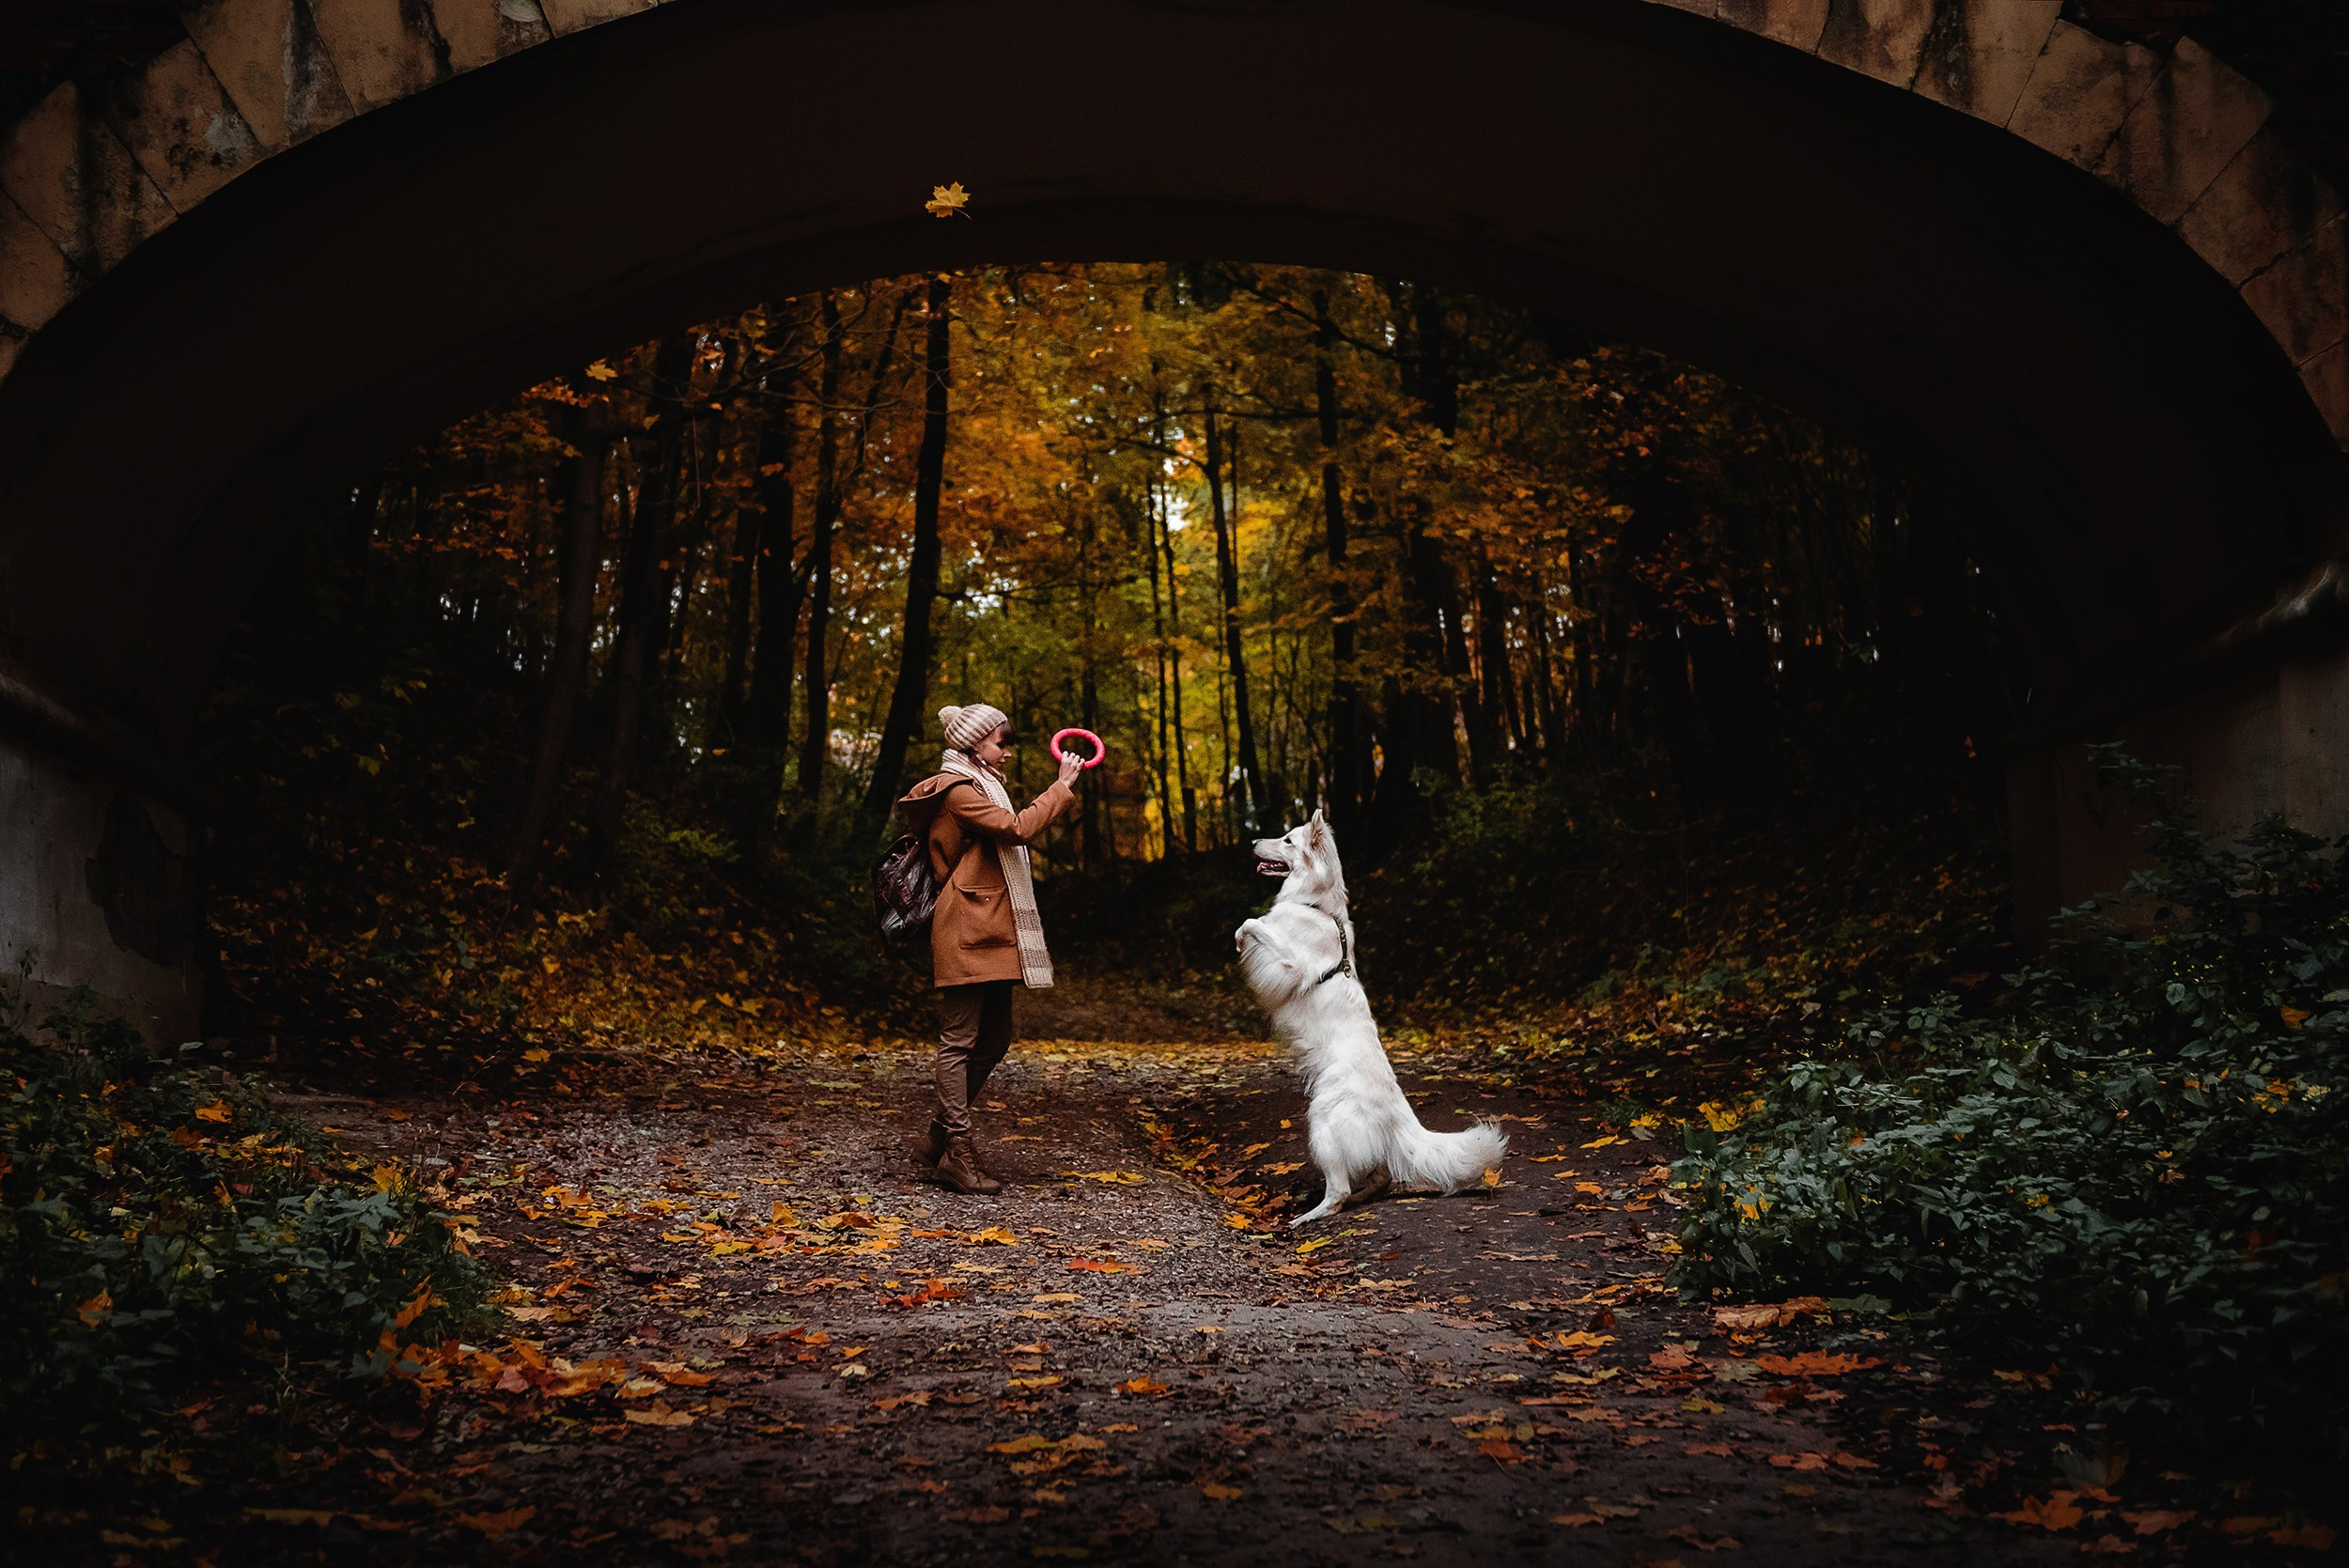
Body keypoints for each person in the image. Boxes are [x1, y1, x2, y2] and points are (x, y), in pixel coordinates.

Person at [895, 703, 1082, 1194]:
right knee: (959, 1041)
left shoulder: (982, 786)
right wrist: (1062, 786)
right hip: (966, 926)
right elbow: (1017, 828)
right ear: (974, 743)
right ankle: (956, 1153)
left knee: (995, 1038)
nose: (1007, 751)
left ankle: (937, 1140)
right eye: (1002, 741)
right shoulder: (959, 791)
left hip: (991, 925)